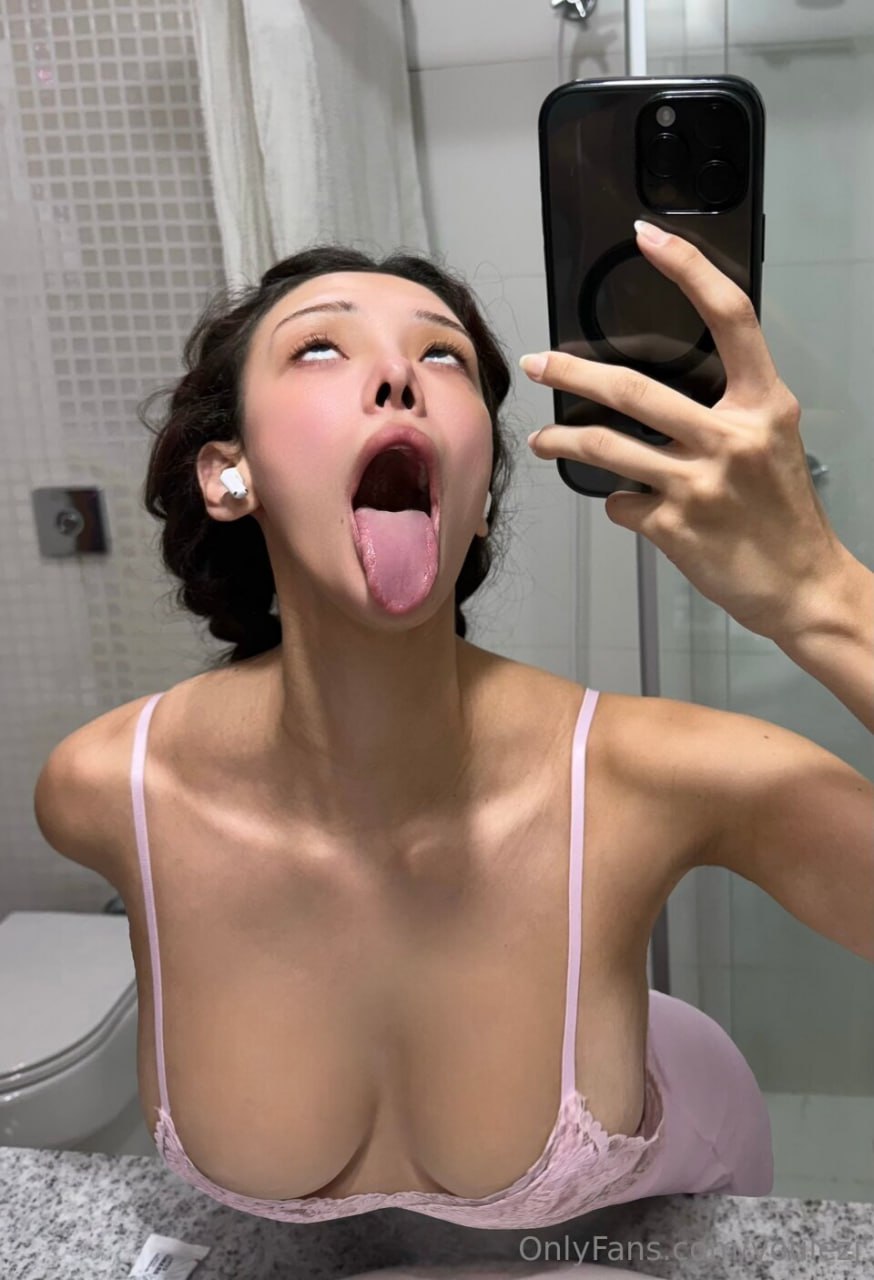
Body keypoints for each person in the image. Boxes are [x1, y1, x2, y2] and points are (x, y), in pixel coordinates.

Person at [34, 227, 873, 1228]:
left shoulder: (643, 777)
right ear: (228, 474)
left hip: (646, 1218)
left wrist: (823, 598)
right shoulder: (108, 790)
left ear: (476, 503)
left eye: (443, 356)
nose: (397, 375)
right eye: (319, 348)